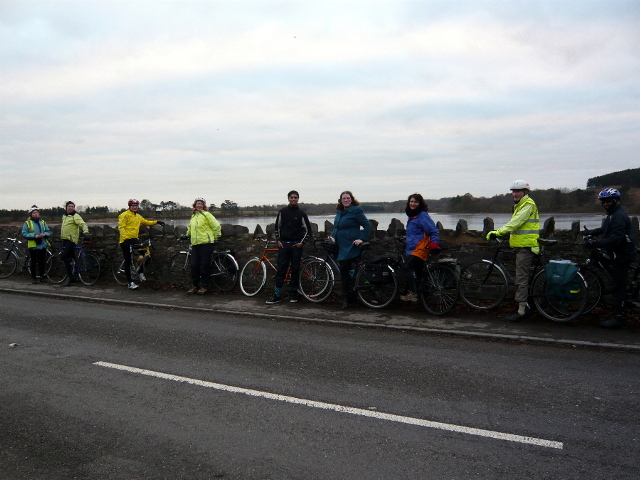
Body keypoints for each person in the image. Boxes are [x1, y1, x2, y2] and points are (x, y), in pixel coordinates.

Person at [486, 180, 540, 322]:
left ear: (525, 192)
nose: (515, 194)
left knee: (521, 279)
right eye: (513, 191)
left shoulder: (528, 205)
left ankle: (522, 311)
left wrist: (498, 232)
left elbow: (516, 222)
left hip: (526, 247)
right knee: (523, 278)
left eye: (518, 191)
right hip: (521, 246)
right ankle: (528, 303)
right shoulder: (520, 204)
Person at [584, 188, 638, 328]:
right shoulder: (612, 214)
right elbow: (605, 229)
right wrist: (592, 232)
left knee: (620, 286)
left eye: (608, 201)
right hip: (618, 252)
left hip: (623, 254)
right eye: (603, 202)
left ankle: (619, 318)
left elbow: (615, 238)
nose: (605, 204)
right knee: (614, 276)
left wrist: (595, 243)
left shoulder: (619, 216)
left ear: (615, 201)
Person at [266, 190, 313, 304]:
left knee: (295, 270)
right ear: (288, 199)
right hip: (284, 245)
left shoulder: (301, 214)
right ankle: (277, 295)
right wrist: (278, 240)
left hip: (297, 245)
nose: (293, 199)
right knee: (281, 270)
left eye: (295, 197)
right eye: (291, 197)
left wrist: (302, 243)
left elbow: (308, 231)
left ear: (298, 199)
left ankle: (293, 295)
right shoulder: (282, 212)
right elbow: (277, 227)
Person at [329, 191, 371, 309]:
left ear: (351, 199)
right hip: (340, 245)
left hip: (350, 246)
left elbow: (367, 225)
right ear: (341, 200)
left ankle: (346, 299)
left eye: (348, 198)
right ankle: (352, 296)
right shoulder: (340, 212)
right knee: (349, 272)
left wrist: (361, 239)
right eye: (344, 198)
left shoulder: (356, 211)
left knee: (344, 271)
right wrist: (332, 235)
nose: (346, 200)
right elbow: (337, 227)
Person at [400, 194, 440, 302]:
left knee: (406, 267)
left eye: (415, 202)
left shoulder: (422, 215)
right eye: (411, 201)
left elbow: (434, 230)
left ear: (420, 203)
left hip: (420, 249)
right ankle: (423, 297)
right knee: (419, 274)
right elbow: (415, 233)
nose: (413, 204)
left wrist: (434, 242)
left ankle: (413, 293)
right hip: (412, 249)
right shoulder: (412, 216)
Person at [117, 199, 165, 290]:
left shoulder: (138, 216)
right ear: (129, 207)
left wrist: (157, 222)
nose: (135, 207)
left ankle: (139, 271)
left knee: (145, 253)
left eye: (136, 206)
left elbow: (146, 222)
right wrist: (126, 237)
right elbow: (121, 227)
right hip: (125, 240)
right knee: (127, 260)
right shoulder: (124, 215)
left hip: (134, 239)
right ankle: (130, 282)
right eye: (133, 206)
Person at [185, 197, 221, 295]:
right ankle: (195, 285)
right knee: (194, 265)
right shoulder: (193, 216)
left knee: (205, 265)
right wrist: (186, 235)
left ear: (204, 206)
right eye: (198, 204)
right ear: (195, 205)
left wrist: (216, 237)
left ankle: (204, 286)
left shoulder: (207, 215)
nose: (199, 205)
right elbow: (190, 228)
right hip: (195, 243)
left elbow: (216, 226)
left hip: (206, 243)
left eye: (201, 204)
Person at [60, 201, 90, 286]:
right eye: (69, 206)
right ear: (66, 207)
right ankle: (76, 275)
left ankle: (69, 277)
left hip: (71, 240)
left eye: (72, 206)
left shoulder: (75, 216)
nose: (71, 208)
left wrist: (86, 232)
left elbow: (83, 224)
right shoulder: (64, 216)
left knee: (65, 256)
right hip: (65, 240)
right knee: (72, 258)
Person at [21, 205, 51, 284]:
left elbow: (48, 231)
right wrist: (34, 236)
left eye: (37, 212)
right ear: (31, 214)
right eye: (34, 213)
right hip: (33, 245)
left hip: (42, 244)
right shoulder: (27, 223)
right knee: (33, 262)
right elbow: (24, 233)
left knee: (42, 262)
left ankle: (42, 276)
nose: (36, 214)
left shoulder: (43, 222)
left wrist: (44, 234)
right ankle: (34, 278)